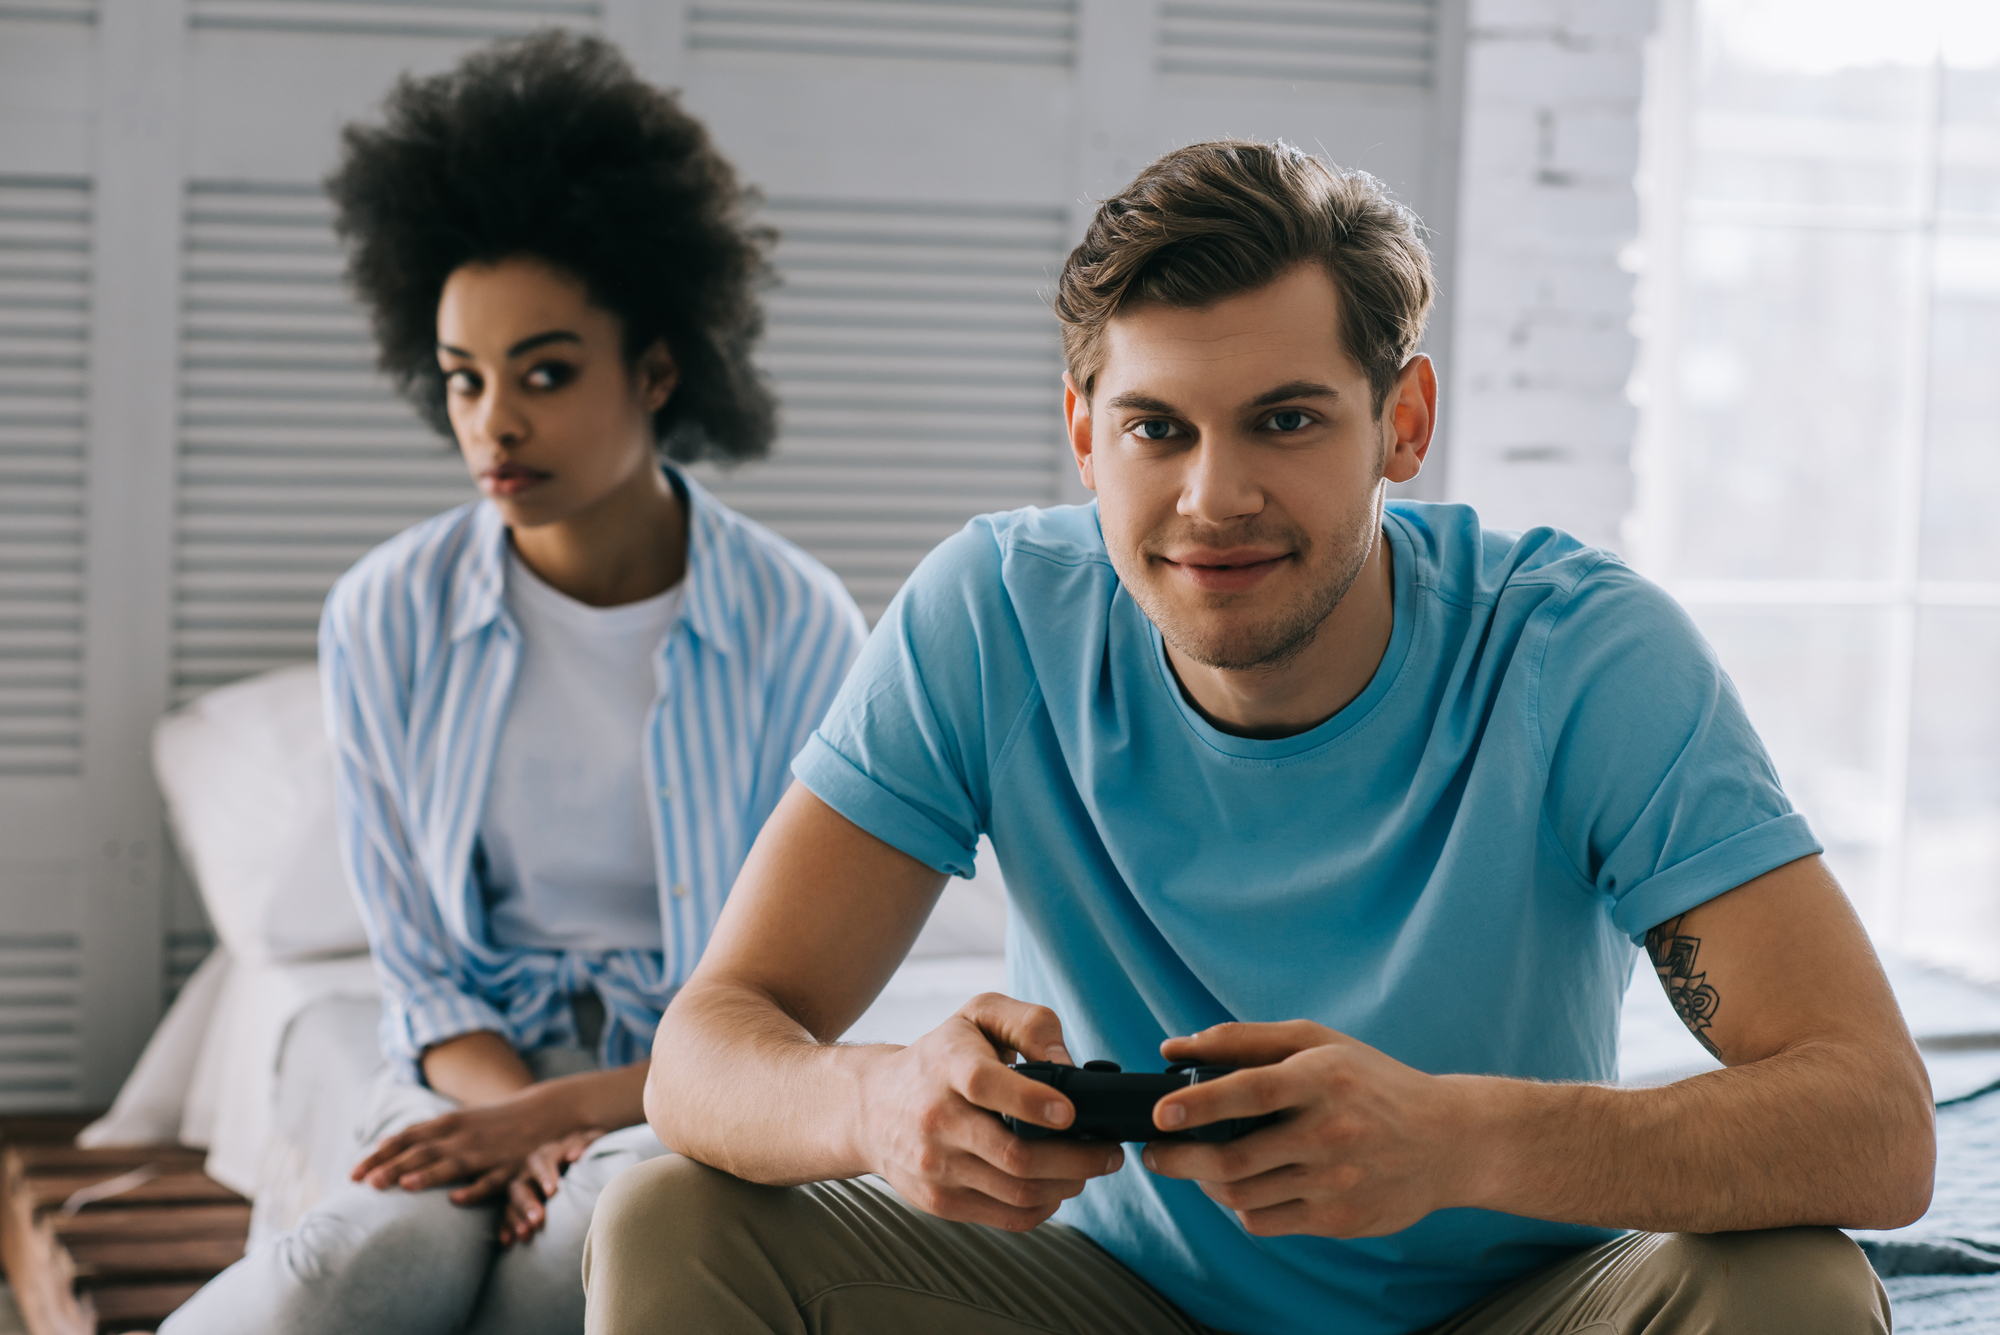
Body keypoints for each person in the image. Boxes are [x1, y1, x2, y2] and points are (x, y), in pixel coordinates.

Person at [583, 140, 1934, 1335]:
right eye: (1155, 430)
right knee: (668, 1224)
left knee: (1790, 1293)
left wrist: (1454, 1140)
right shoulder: (990, 616)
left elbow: (1875, 1123)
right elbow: (705, 1049)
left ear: (1401, 424)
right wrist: (874, 1106)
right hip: (1116, 1301)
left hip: (1513, 1306)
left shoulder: (1581, 656)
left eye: (1286, 421)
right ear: (1082, 437)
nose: (1212, 497)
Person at [162, 32, 866, 1335]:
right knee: (359, 1271)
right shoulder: (384, 616)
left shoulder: (798, 625)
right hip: (468, 1066)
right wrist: (508, 1122)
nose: (493, 423)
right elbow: (421, 976)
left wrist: (573, 1121)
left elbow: (793, 1007)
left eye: (545, 373)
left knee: (575, 1266)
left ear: (657, 369)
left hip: (689, 1082)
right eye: (464, 380)